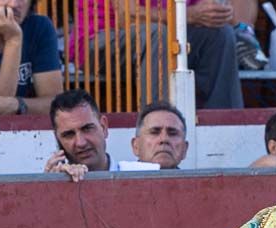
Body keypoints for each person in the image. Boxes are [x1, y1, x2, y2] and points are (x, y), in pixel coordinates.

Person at [71, 0, 244, 110]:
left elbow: (206, 13)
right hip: (101, 40)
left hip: (161, 42)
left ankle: (225, 123)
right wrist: (188, 15)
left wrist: (218, 14)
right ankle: (159, 127)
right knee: (160, 35)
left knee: (220, 33)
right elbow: (127, 16)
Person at [0, 0, 63, 117]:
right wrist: (13, 40)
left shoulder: (40, 27)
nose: (14, 4)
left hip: (31, 130)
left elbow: (55, 105)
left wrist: (17, 105)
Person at [43, 89, 110, 181]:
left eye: (87, 129)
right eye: (69, 134)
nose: (80, 143)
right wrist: (49, 190)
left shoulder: (135, 172)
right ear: (57, 139)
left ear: (103, 127)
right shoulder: (52, 181)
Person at [131, 102, 189, 169]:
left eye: (172, 133)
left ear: (185, 149)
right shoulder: (118, 179)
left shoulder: (199, 180)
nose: (164, 139)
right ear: (136, 146)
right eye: (154, 132)